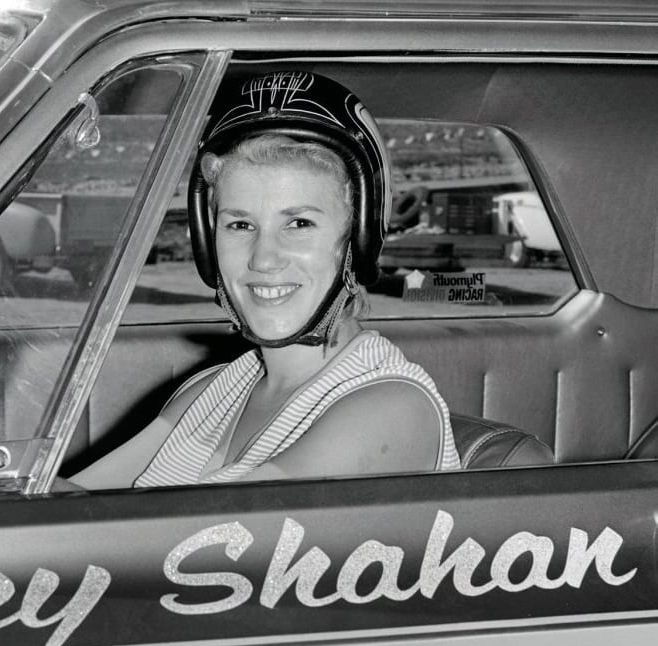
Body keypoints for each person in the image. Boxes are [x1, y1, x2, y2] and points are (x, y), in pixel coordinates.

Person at [70, 70, 460, 490]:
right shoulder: (212, 389)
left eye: (299, 223)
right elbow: (62, 509)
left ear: (357, 239)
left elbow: (207, 541)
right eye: (240, 225)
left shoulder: (389, 409)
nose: (264, 258)